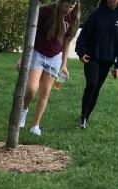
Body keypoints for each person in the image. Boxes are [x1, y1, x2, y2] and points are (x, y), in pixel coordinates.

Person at [19, 0, 80, 137]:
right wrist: (23, 57)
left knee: (45, 93)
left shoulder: (73, 17)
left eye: (72, 6)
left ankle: (35, 126)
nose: (68, 9)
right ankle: (23, 111)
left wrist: (63, 65)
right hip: (38, 53)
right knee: (31, 88)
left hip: (55, 57)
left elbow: (66, 42)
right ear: (60, 2)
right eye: (66, 5)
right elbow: (30, 33)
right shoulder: (45, 11)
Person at [75, 0, 118, 129]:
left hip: (107, 60)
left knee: (97, 88)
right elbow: (84, 34)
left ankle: (86, 117)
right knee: (92, 84)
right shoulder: (97, 12)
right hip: (92, 57)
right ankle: (83, 115)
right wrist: (81, 52)